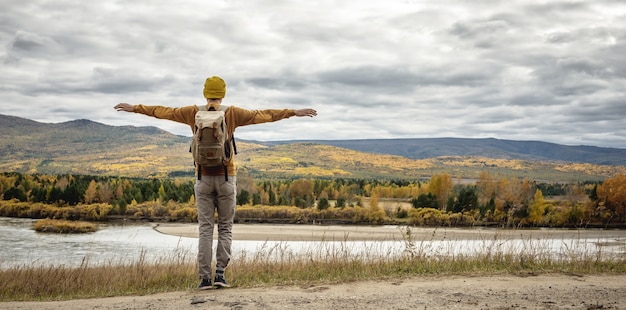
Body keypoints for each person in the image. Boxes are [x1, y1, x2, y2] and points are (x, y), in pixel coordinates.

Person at [114, 76, 317, 289]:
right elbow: (264, 115)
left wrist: (135, 108)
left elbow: (163, 111)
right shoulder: (233, 113)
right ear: (223, 94)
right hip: (227, 177)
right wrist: (293, 112)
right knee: (225, 228)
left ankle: (204, 279)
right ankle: (220, 275)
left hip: (202, 178)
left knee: (205, 229)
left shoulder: (191, 112)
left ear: (205, 93)